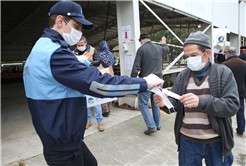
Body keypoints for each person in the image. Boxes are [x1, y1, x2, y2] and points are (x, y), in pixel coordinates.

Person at [22, 1, 164, 166]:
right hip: (62, 142)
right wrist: (144, 82)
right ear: (60, 21)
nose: (79, 32)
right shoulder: (56, 53)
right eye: (77, 26)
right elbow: (100, 85)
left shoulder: (42, 47)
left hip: (60, 133)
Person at [153, 31, 239, 165]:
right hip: (188, 141)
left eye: (194, 55)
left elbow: (232, 106)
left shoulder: (223, 73)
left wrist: (201, 101)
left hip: (216, 141)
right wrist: (164, 102)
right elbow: (176, 103)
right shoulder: (183, 76)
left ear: (207, 53)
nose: (189, 59)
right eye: (187, 56)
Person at [131, 33, 169, 135]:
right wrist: (164, 43)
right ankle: (158, 125)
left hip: (147, 81)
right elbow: (166, 49)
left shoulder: (141, 49)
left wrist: (132, 80)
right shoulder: (159, 48)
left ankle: (151, 127)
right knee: (156, 103)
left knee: (143, 103)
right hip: (159, 80)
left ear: (141, 40)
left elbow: (136, 67)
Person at [74, 37, 105, 132]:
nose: (80, 47)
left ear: (86, 43)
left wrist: (89, 63)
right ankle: (88, 120)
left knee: (95, 101)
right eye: (78, 45)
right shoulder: (73, 52)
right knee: (85, 102)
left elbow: (98, 62)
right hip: (81, 79)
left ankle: (100, 122)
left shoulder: (93, 50)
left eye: (81, 45)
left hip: (92, 78)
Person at [223, 47, 246, 137]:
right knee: (240, 111)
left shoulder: (224, 65)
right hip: (241, 91)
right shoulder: (244, 64)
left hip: (227, 92)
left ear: (228, 54)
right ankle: (240, 131)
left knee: (227, 111)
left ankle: (227, 130)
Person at [98, 40, 115, 117]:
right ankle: (109, 108)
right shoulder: (111, 54)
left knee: (102, 92)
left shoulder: (99, 54)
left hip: (103, 74)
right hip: (111, 73)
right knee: (110, 92)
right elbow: (113, 64)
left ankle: (105, 110)